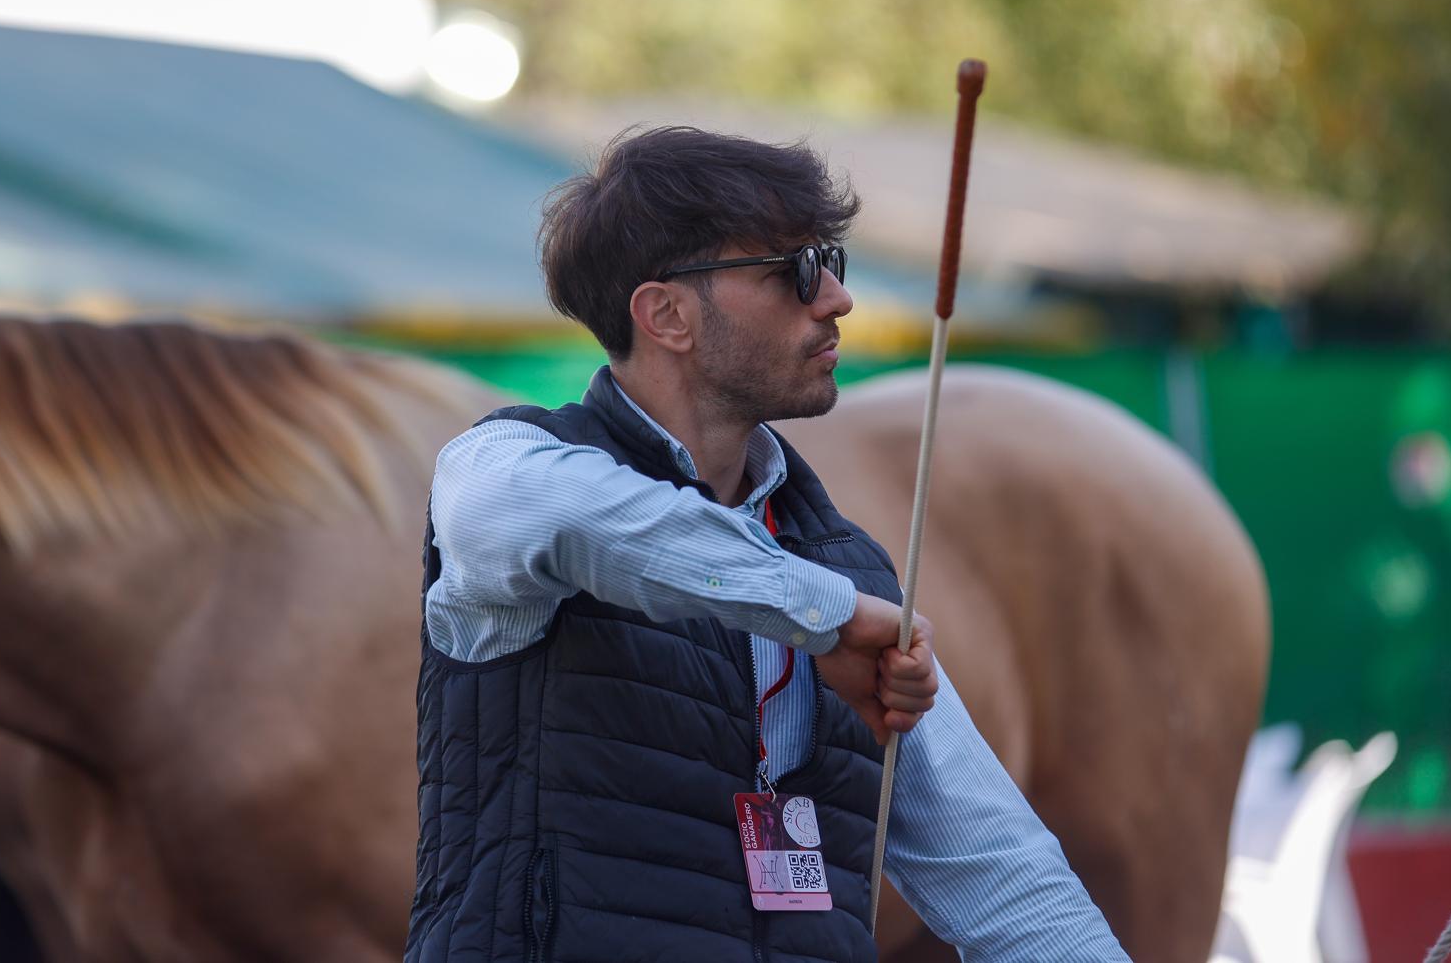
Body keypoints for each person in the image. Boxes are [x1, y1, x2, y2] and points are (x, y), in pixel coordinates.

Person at [406, 126, 1129, 962]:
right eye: (791, 270)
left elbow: (1001, 873)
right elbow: (565, 517)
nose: (835, 298)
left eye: (831, 261)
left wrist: (826, 606)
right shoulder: (505, 467)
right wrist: (819, 613)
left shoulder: (844, 567)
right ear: (666, 314)